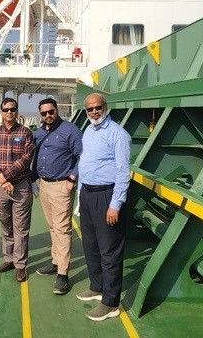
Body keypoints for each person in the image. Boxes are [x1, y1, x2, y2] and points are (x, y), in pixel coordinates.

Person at [76, 93, 131, 322]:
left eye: (98, 108)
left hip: (106, 196)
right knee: (91, 246)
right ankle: (97, 286)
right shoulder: (88, 130)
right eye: (90, 109)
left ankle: (110, 302)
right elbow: (84, 163)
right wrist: (79, 198)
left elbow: (123, 172)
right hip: (87, 195)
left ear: (105, 107)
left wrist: (115, 205)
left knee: (109, 251)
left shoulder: (118, 134)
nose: (94, 112)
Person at [32, 98, 82, 295]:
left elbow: (81, 156)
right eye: (43, 113)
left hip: (62, 185)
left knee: (62, 229)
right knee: (52, 226)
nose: (47, 116)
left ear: (57, 110)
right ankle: (55, 261)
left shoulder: (71, 130)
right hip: (44, 185)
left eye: (50, 112)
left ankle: (63, 274)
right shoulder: (38, 132)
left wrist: (72, 177)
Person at [0, 97, 35, 282]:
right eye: (6, 109)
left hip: (20, 187)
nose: (9, 112)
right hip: (1, 187)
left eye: (12, 109)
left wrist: (6, 176)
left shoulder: (26, 133)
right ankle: (8, 259)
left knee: (21, 228)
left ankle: (20, 264)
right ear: (1, 111)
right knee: (6, 225)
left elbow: (26, 159)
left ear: (17, 111)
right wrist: (1, 178)